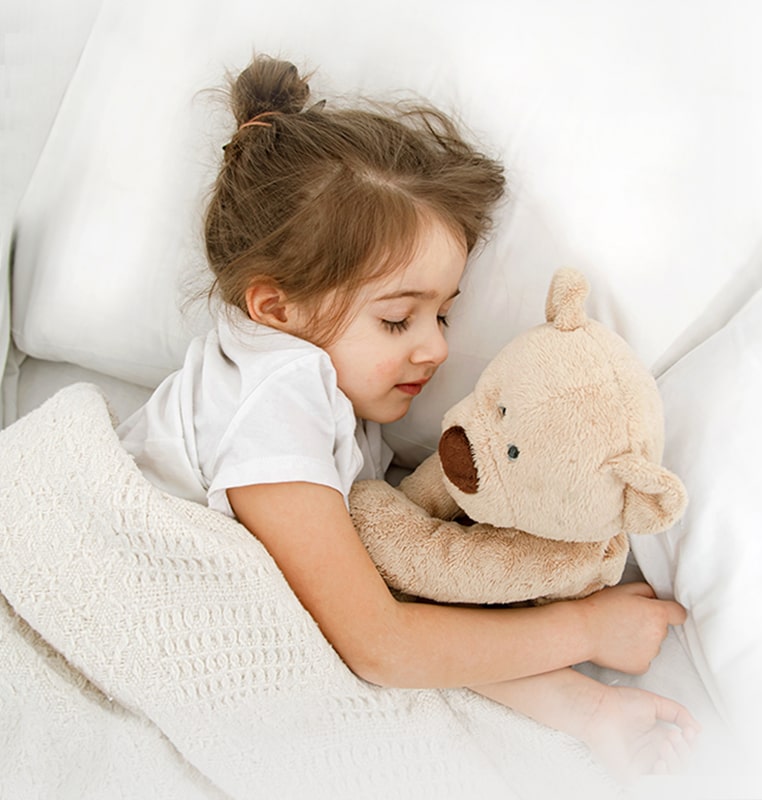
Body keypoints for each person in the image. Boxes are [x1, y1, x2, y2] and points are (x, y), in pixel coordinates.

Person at [116, 55, 698, 778]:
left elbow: (370, 604)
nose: (438, 347)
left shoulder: (321, 389)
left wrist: (591, 709)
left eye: (444, 313)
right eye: (397, 320)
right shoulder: (277, 395)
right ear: (276, 308)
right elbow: (380, 644)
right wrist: (583, 629)